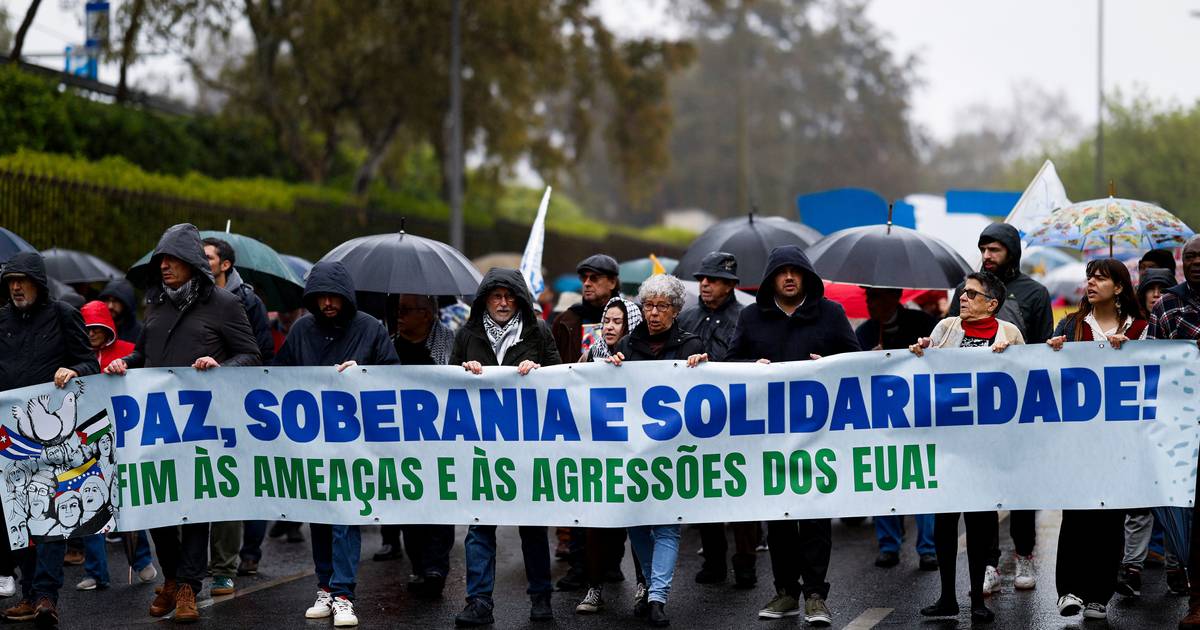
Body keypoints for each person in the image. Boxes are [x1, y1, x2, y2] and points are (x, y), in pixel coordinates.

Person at [104, 223, 261, 623]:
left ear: (192, 263)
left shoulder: (224, 304)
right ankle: (173, 577)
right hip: (158, 422)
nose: (164, 267)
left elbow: (250, 355)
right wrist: (125, 363)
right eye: (161, 260)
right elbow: (143, 354)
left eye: (172, 260)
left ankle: (189, 584)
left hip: (204, 423)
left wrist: (219, 365)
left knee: (196, 504)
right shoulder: (155, 303)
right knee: (157, 504)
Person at [730, 245, 860, 626]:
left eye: (795, 271)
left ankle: (816, 595)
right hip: (770, 438)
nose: (789, 277)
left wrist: (830, 365)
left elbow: (856, 361)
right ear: (771, 279)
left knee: (816, 516)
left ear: (806, 276)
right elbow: (730, 364)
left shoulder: (831, 314)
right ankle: (786, 591)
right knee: (779, 517)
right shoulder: (751, 317)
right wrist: (751, 367)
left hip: (818, 437)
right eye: (781, 272)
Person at [272, 260, 398, 628]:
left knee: (345, 517)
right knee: (320, 518)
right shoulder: (301, 330)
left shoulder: (370, 329)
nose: (327, 303)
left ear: (346, 296)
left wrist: (364, 373)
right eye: (320, 297)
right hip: (312, 442)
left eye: (334, 296)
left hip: (354, 443)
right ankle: (325, 587)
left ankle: (343, 595)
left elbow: (395, 376)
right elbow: (276, 376)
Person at [453, 268, 561, 627]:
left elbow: (560, 379)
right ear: (485, 299)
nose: (503, 303)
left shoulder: (538, 332)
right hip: (481, 448)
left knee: (532, 525)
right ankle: (479, 601)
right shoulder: (466, 335)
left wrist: (540, 370)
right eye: (496, 296)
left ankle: (541, 598)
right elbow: (447, 385)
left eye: (510, 296)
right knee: (480, 525)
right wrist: (462, 370)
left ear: (520, 301)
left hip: (526, 446)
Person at [912, 270, 1022, 624]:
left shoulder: (1009, 333)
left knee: (979, 524)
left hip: (986, 448)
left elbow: (1027, 377)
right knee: (945, 522)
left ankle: (977, 598)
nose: (963, 297)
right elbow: (925, 373)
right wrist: (919, 353)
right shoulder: (945, 328)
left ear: (992, 304)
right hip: (948, 444)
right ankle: (947, 596)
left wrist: (1009, 359)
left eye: (973, 294)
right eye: (963, 292)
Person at [946, 223, 1051, 593]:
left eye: (995, 250)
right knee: (983, 491)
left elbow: (1042, 350)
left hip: (1017, 409)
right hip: (972, 414)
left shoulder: (1035, 293)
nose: (987, 256)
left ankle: (1024, 555)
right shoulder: (966, 289)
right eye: (983, 249)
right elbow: (949, 340)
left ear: (1012, 252)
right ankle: (988, 563)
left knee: (1021, 488)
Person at [0, 252, 100, 627]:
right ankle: (28, 594)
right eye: (10, 281)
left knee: (50, 514)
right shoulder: (1, 319)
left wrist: (74, 370)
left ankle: (45, 596)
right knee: (18, 515)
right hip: (10, 436)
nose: (16, 287)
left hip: (56, 437)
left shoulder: (63, 315)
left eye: (22, 280)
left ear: (38, 284)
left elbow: (90, 364)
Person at [1043, 259, 1146, 620]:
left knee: (1110, 517)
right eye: (1090, 277)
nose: (1091, 283)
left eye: (1101, 278)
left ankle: (1099, 595)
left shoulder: (1141, 330)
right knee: (1076, 513)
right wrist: (1051, 352)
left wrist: (1133, 355)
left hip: (1121, 441)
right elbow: (1049, 375)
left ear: (1119, 287)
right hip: (1078, 439)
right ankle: (1069, 590)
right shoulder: (1070, 326)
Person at [603, 275, 707, 627]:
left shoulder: (691, 344)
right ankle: (650, 586)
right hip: (636, 450)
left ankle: (657, 597)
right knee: (637, 523)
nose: (654, 312)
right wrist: (613, 370)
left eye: (662, 306)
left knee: (666, 525)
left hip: (674, 452)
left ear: (675, 311)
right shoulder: (628, 344)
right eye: (648, 305)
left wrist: (704, 367)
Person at [676, 252, 760, 587]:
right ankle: (713, 561)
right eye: (702, 279)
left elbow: (758, 362)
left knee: (742, 492)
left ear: (729, 284)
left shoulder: (747, 318)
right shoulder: (686, 318)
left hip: (738, 418)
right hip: (698, 421)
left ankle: (746, 563)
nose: (705, 285)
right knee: (705, 490)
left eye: (712, 279)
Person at [854, 287, 939, 571]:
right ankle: (888, 545)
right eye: (868, 298)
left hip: (919, 419)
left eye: (875, 298)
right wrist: (868, 360)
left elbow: (940, 359)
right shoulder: (865, 332)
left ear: (893, 298)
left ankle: (928, 548)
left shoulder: (923, 324)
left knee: (922, 481)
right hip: (880, 420)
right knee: (883, 480)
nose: (870, 303)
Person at [76, 301, 157, 592]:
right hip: (86, 441)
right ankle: (96, 572)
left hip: (124, 438)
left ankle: (142, 560)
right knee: (90, 506)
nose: (92, 333)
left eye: (97, 328)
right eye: (86, 329)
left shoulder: (128, 351)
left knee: (127, 503)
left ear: (108, 327)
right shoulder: (75, 356)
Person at [550, 254, 620, 587]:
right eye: (584, 278)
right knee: (579, 493)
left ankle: (611, 563)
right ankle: (579, 565)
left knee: (616, 493)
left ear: (613, 282)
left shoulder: (628, 318)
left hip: (615, 420)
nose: (587, 284)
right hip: (575, 420)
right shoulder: (567, 320)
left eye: (595, 278)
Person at [574, 297, 646, 616]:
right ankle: (594, 588)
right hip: (601, 453)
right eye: (607, 321)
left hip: (636, 452)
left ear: (631, 325)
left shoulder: (642, 356)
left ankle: (644, 584)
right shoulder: (591, 355)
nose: (610, 327)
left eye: (618, 321)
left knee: (639, 523)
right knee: (598, 524)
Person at [390, 293, 457, 598]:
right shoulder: (388, 348)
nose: (400, 315)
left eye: (406, 310)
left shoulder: (450, 346)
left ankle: (436, 568)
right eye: (398, 309)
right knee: (409, 505)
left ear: (427, 314)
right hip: (402, 442)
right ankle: (418, 565)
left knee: (440, 503)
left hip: (441, 440)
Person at [1157, 236, 1200, 630]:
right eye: (1190, 256)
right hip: (1185, 426)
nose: (1196, 261)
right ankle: (1196, 600)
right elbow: (1149, 360)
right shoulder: (1167, 304)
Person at [97, 277, 142, 343]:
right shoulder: (95, 327)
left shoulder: (139, 333)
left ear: (125, 304)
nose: (110, 306)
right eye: (107, 300)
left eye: (115, 301)